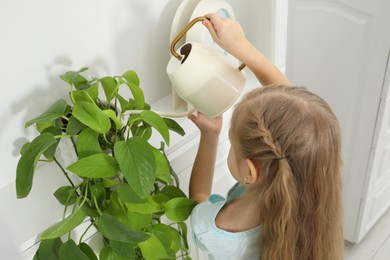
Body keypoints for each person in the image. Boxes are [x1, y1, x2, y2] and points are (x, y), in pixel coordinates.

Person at [188, 13, 344, 260]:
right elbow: (298, 110)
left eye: (233, 144)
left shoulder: (220, 228)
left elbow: (198, 199)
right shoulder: (314, 178)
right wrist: (242, 48)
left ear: (251, 171)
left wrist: (210, 136)